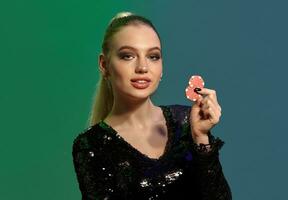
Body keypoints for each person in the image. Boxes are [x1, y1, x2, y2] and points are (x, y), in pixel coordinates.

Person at [72, 11, 232, 200]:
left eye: (153, 56)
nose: (143, 67)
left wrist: (201, 138)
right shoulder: (91, 145)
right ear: (104, 65)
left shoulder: (186, 122)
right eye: (127, 56)